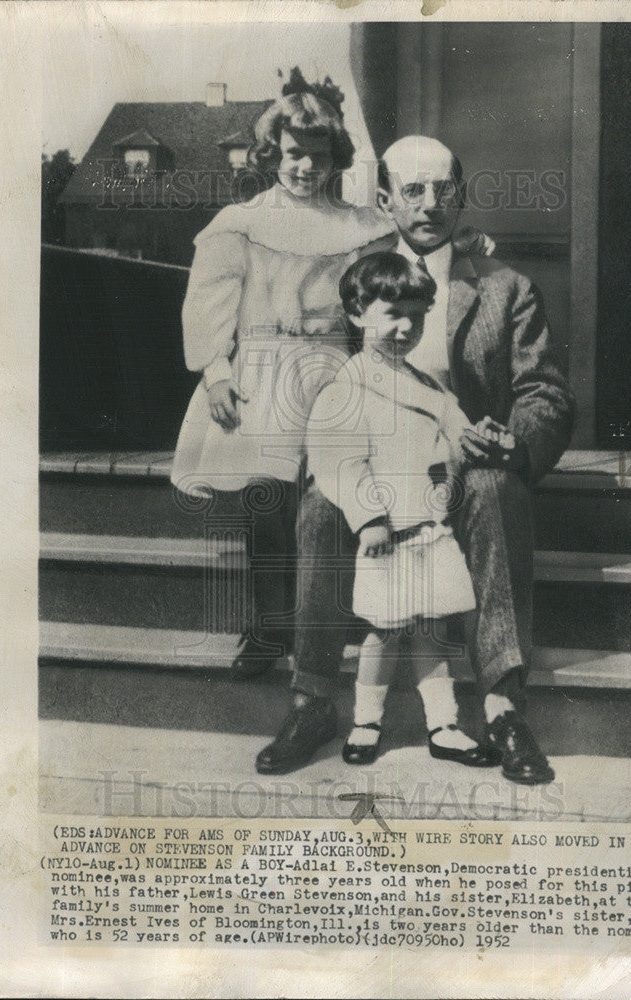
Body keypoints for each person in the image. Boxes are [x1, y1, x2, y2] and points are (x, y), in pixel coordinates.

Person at [256, 135, 575, 786]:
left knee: (493, 486)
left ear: (459, 199)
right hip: (374, 456)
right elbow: (316, 375)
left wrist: (517, 438)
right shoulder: (352, 281)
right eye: (413, 190)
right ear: (384, 200)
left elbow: (544, 391)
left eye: (443, 190)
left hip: (463, 461)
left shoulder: (504, 288)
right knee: (320, 502)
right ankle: (312, 701)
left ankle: (503, 706)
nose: (430, 203)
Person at [170, 84, 395, 676]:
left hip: (331, 370)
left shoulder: (357, 226)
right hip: (262, 371)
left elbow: (385, 288)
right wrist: (216, 372)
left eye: (318, 156)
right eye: (294, 153)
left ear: (335, 157)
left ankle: (326, 617)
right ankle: (268, 628)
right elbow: (208, 301)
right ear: (273, 152)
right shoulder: (241, 223)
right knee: (266, 501)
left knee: (329, 496)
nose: (305, 167)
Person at [307, 252, 501, 768]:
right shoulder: (347, 386)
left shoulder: (428, 385)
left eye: (416, 317)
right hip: (387, 532)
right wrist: (368, 518)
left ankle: (443, 725)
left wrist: (478, 437)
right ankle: (366, 721)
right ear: (356, 312)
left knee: (432, 627)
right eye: (392, 314)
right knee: (384, 630)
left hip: (429, 528)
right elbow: (341, 460)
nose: (405, 328)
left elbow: (455, 429)